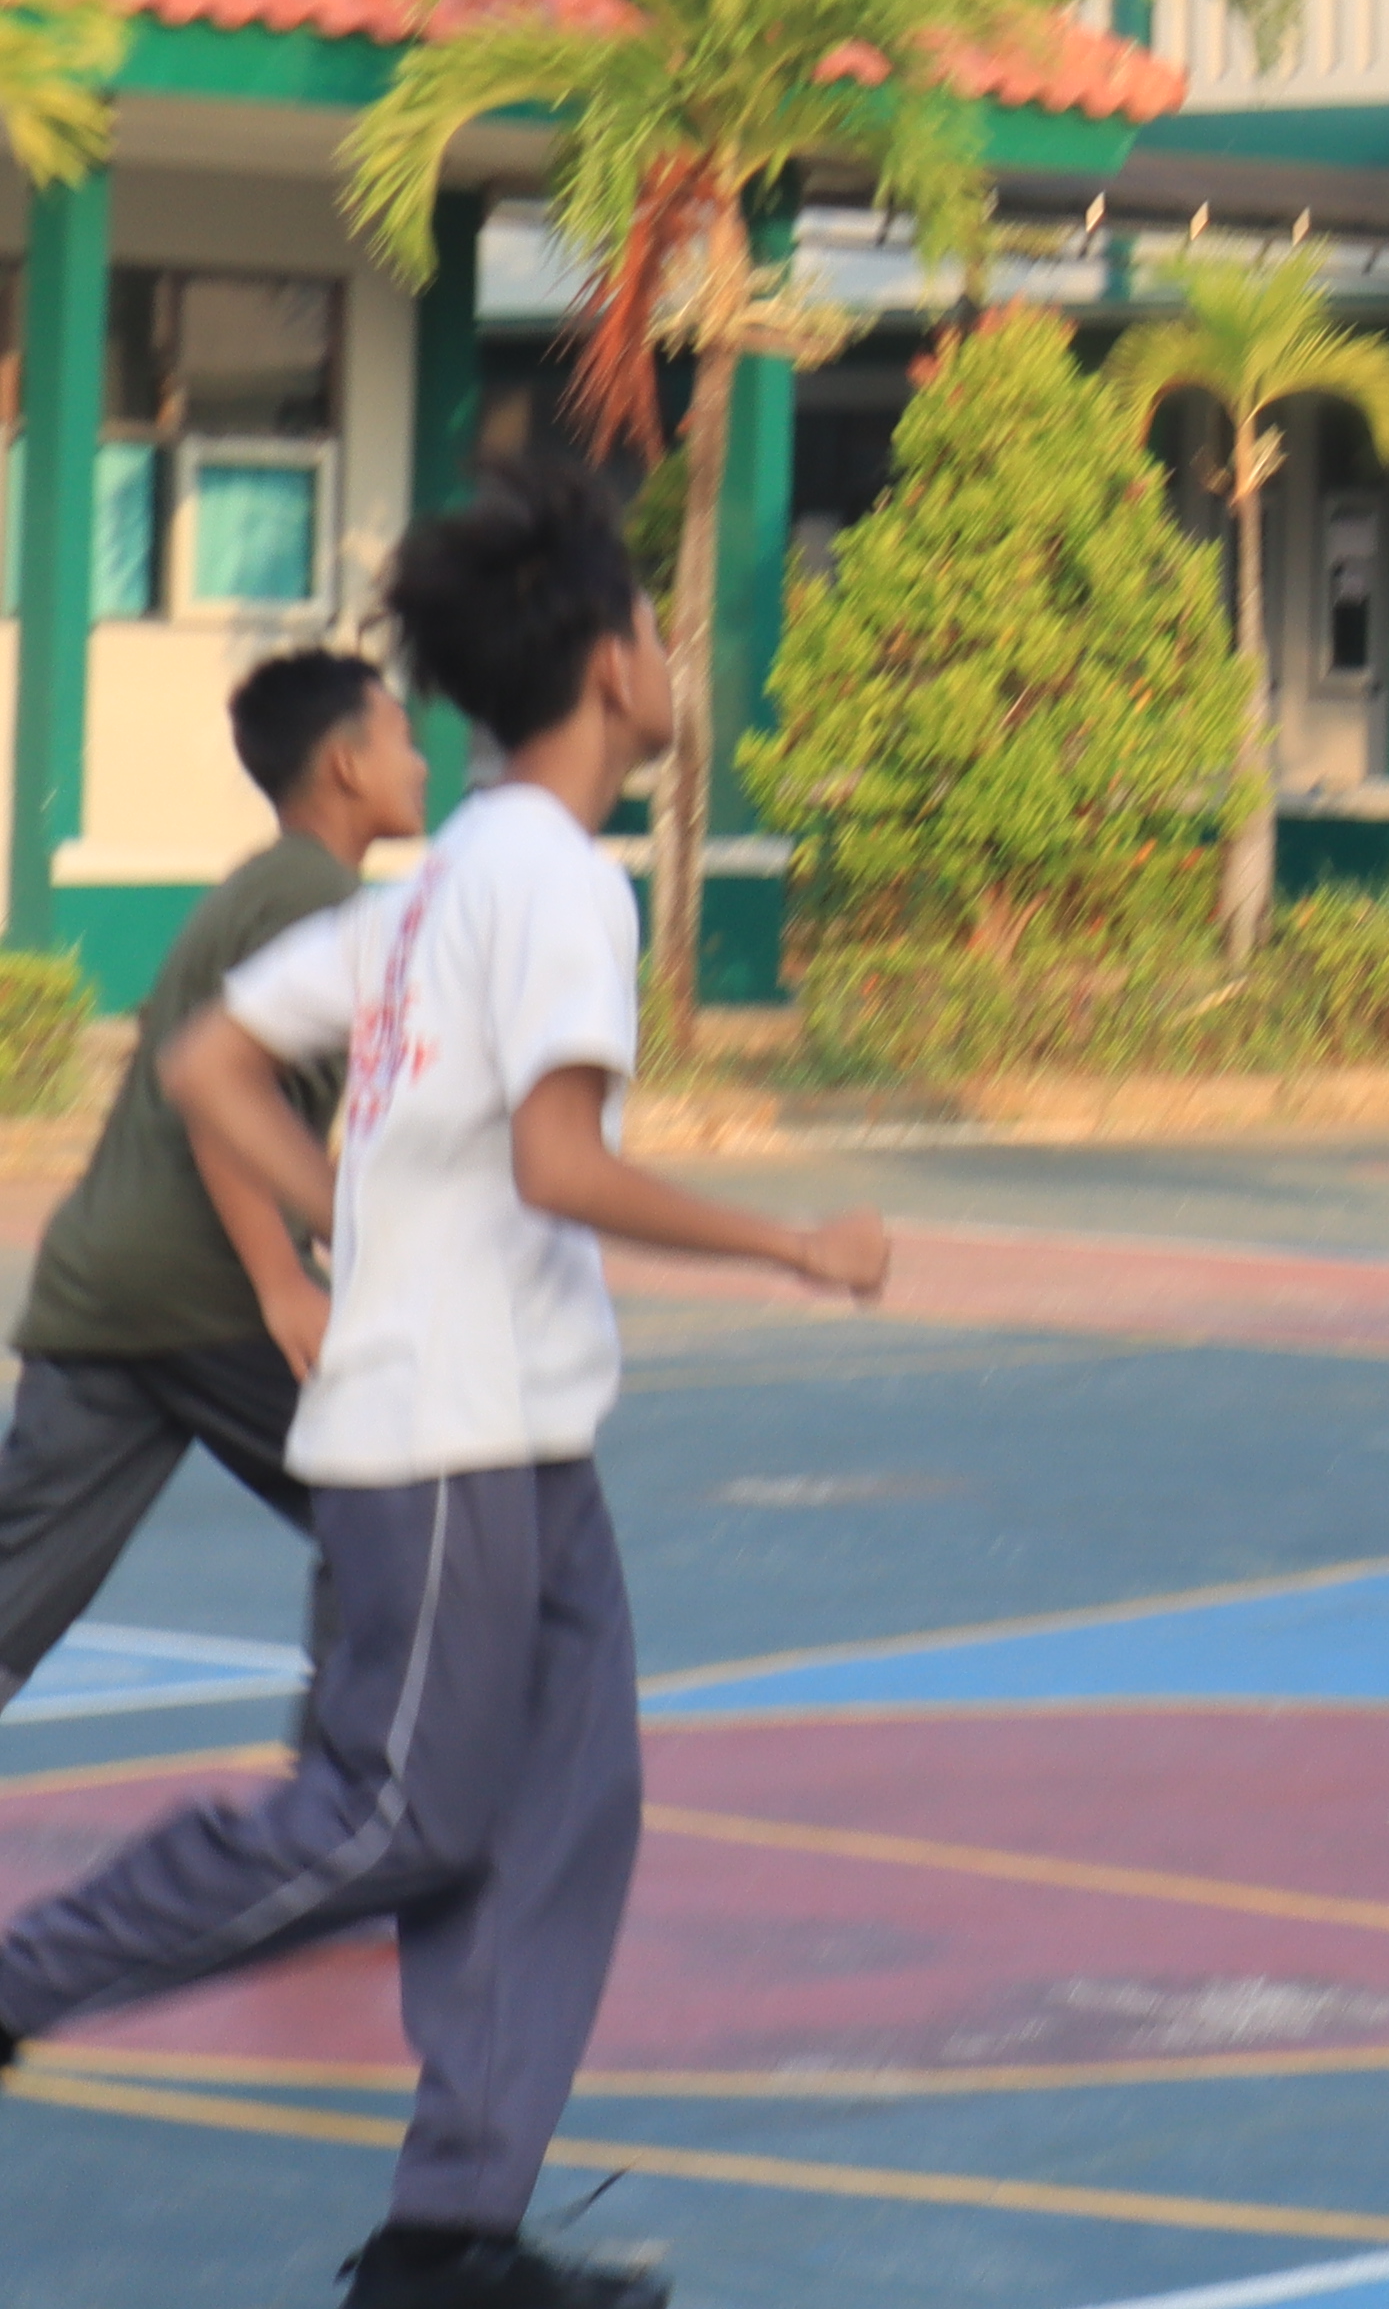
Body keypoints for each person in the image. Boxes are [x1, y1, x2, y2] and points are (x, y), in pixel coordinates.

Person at [0, 455, 892, 2309]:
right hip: (447, 1434)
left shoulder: (445, 882)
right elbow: (559, 1163)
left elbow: (207, 1062)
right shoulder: (552, 885)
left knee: (568, 1808)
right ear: (614, 668)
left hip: (528, 1431)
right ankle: (20, 1981)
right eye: (656, 629)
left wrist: (358, 1212)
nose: (671, 657)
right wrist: (792, 1244)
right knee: (390, 1814)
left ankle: (449, 2235)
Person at [0, 649, 426, 1713]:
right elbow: (227, 1100)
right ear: (345, 765)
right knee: (395, 1492)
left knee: (12, 1591)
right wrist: (283, 1280)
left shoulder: (263, 883)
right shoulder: (319, 899)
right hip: (205, 1286)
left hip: (102, 1283)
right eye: (402, 738)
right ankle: (346, 1785)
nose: (421, 762)